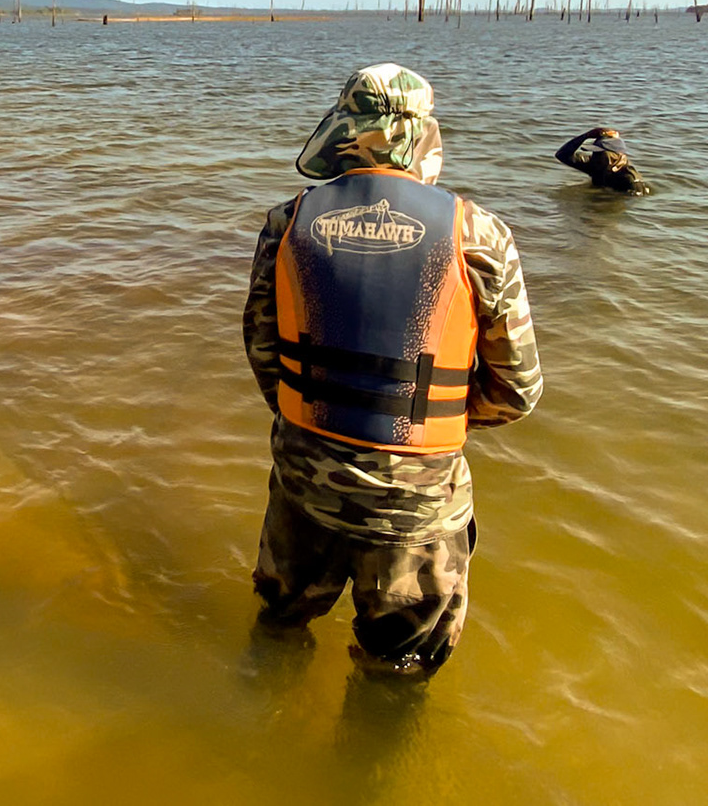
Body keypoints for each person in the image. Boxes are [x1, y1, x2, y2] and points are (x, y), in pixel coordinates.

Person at [241, 64, 542, 678]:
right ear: (424, 137)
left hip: (304, 481)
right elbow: (516, 391)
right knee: (399, 669)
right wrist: (423, 421)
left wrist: (318, 412)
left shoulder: (286, 222)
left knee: (278, 629)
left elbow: (264, 353)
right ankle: (366, 765)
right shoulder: (479, 233)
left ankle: (255, 739)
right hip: (418, 504)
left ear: (346, 131)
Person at [555, 126, 650, 194]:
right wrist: (586, 136)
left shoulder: (630, 179)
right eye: (595, 153)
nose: (595, 157)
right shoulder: (595, 165)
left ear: (614, 156)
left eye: (600, 154)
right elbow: (562, 155)